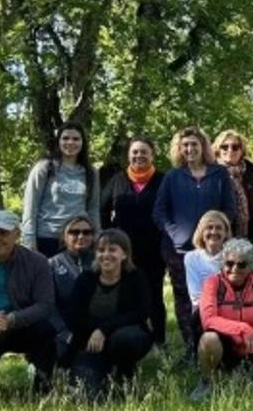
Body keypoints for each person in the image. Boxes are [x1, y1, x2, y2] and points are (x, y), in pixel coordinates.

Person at [153, 126, 237, 355]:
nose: (190, 149)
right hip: (178, 249)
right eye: (185, 145)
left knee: (217, 294)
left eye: (194, 145)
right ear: (179, 149)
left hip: (214, 249)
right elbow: (159, 211)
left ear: (203, 147)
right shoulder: (173, 176)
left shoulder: (218, 174)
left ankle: (219, 343)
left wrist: (216, 230)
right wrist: (174, 233)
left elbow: (230, 208)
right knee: (184, 298)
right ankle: (192, 346)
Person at [191, 239, 253, 402]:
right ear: (222, 263)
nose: (234, 269)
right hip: (224, 347)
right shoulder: (213, 283)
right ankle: (207, 381)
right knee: (208, 338)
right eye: (229, 263)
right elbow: (208, 320)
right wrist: (242, 328)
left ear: (251, 267)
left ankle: (240, 376)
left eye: (241, 265)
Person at [0, 210, 56, 395]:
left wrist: (11, 320)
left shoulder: (37, 262)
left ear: (17, 235)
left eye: (3, 233)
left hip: (17, 327)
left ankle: (42, 392)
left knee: (45, 330)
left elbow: (45, 304)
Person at [65, 229, 153, 401]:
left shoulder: (136, 277)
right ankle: (102, 375)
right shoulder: (86, 279)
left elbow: (141, 313)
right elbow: (73, 317)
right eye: (101, 250)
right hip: (89, 344)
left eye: (112, 250)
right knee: (86, 398)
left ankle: (124, 373)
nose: (106, 255)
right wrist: (96, 331)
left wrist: (103, 330)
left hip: (125, 341)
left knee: (126, 338)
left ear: (124, 254)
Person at [100, 136, 167, 348]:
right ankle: (127, 338)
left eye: (144, 151)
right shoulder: (117, 180)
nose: (139, 155)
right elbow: (102, 209)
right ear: (129, 155)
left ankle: (158, 341)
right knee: (126, 294)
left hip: (154, 249)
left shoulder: (163, 180)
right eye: (135, 152)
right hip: (123, 251)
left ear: (152, 154)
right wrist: (108, 237)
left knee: (154, 295)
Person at [21, 121, 101, 258]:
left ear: (83, 143)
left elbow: (93, 209)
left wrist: (97, 238)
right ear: (58, 141)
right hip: (47, 238)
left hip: (79, 239)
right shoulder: (44, 168)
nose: (70, 142)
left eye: (76, 139)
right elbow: (30, 208)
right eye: (65, 138)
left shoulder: (90, 172)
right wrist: (29, 242)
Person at [48, 215, 96, 364]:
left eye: (87, 232)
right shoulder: (52, 265)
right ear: (64, 236)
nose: (81, 236)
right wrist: (64, 333)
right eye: (74, 232)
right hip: (63, 331)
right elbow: (48, 305)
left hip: (96, 332)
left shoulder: (102, 261)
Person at [213, 130, 253, 259]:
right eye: (224, 147)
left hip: (250, 238)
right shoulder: (211, 174)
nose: (230, 150)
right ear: (217, 150)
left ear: (242, 150)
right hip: (220, 238)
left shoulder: (251, 173)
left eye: (235, 147)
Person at [185, 211, 231, 309]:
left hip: (230, 309)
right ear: (201, 232)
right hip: (203, 310)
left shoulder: (233, 256)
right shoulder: (191, 258)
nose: (214, 232)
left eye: (219, 228)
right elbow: (196, 296)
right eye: (209, 228)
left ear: (226, 233)